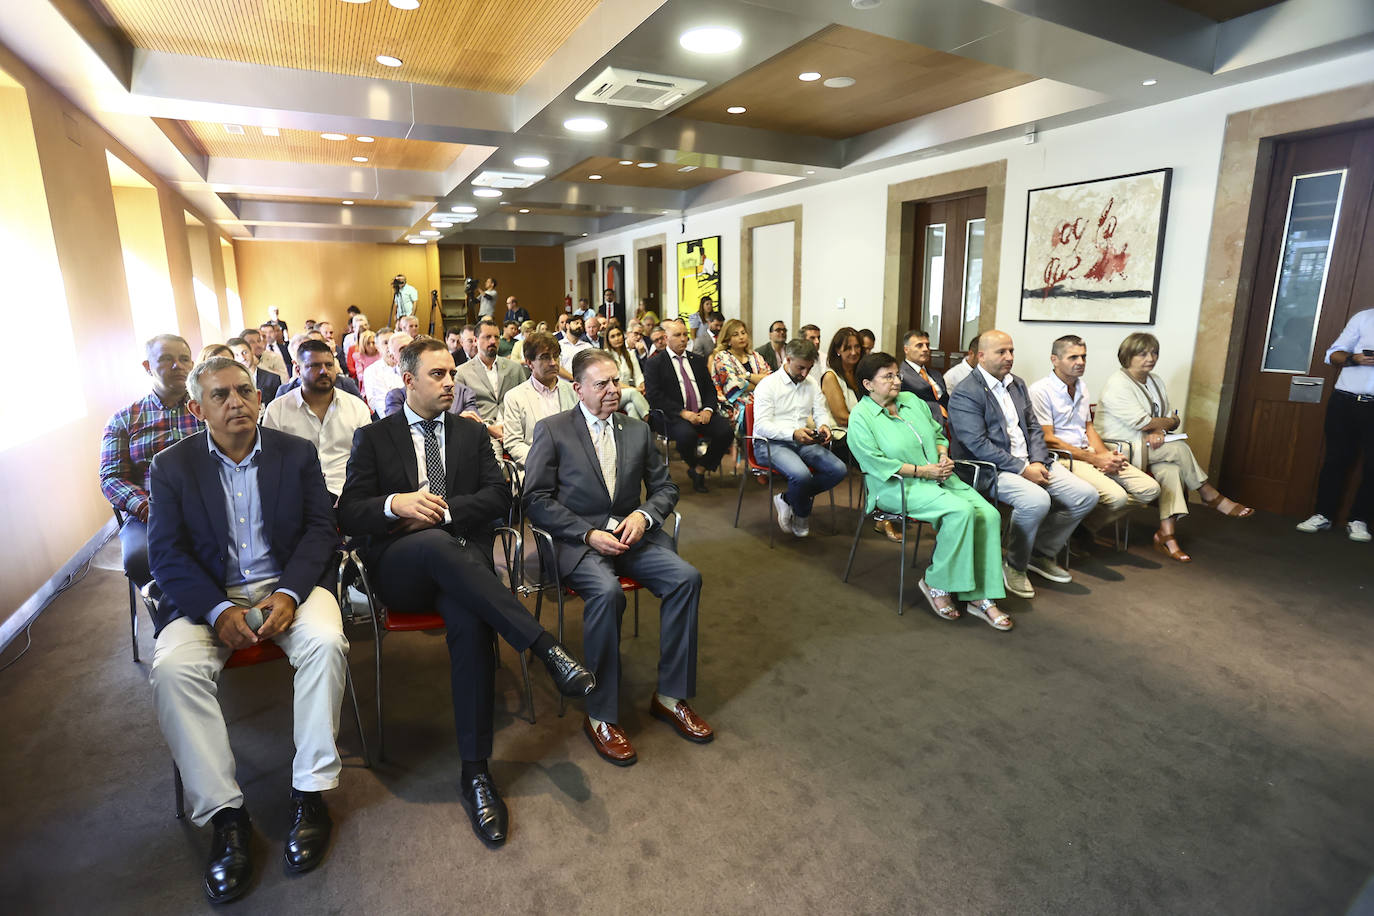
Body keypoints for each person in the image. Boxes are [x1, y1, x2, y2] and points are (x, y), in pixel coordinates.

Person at [337, 338, 594, 849]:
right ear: (408, 380)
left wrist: (445, 511)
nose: (450, 382)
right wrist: (398, 505)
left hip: (464, 563)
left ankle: (476, 772)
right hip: (402, 569)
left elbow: (500, 497)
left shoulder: (470, 435)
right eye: (437, 374)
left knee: (472, 620)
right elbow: (349, 512)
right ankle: (545, 647)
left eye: (452, 373)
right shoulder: (374, 437)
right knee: (433, 545)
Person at [147, 357, 348, 903]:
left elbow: (318, 530)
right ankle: (226, 817)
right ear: (197, 408)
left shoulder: (295, 453)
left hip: (287, 586)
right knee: (173, 668)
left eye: (243, 392)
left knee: (327, 641)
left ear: (258, 398)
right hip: (208, 599)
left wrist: (288, 592)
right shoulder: (172, 467)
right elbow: (165, 554)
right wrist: (215, 610)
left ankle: (309, 792)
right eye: (220, 396)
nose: (236, 402)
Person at [524, 349, 712, 766]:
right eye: (602, 384)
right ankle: (601, 715)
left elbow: (665, 488)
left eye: (616, 382)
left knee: (687, 578)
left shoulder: (636, 430)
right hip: (580, 541)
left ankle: (670, 696)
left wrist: (645, 517)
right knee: (608, 593)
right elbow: (534, 500)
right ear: (578, 389)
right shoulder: (553, 430)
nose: (613, 391)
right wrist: (587, 533)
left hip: (632, 537)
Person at [848, 352, 1010, 630]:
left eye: (897, 374)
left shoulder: (912, 401)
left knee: (989, 514)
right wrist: (924, 471)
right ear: (868, 384)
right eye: (887, 376)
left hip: (939, 477)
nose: (896, 380)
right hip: (895, 486)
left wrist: (943, 454)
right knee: (960, 512)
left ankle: (978, 594)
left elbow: (938, 433)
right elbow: (874, 462)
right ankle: (937, 583)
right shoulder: (861, 417)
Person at [949, 330, 1097, 598]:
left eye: (1012, 351)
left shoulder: (1016, 384)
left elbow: (1034, 428)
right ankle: (1015, 564)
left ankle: (1039, 553)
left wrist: (1038, 461)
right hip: (991, 469)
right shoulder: (966, 393)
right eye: (1001, 352)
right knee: (1037, 500)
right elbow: (977, 445)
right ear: (981, 356)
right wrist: (1023, 469)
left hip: (1032, 462)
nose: (1009, 357)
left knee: (1085, 496)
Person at [1095, 332, 1252, 562]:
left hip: (1149, 445)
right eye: (1143, 353)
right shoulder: (1117, 384)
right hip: (1121, 448)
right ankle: (1210, 495)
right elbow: (1144, 422)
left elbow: (1167, 416)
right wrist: (1163, 424)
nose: (1150, 358)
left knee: (1172, 470)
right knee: (1179, 449)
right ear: (1127, 355)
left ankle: (1166, 536)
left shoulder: (1155, 380)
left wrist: (1161, 429)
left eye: (1154, 352)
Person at [1029, 335, 1160, 544]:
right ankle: (1051, 536)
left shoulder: (1081, 386)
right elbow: (1048, 440)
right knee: (1117, 498)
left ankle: (1082, 527)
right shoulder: (1040, 390)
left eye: (1083, 357)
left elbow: (1088, 427)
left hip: (1087, 453)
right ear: (1054, 359)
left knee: (1149, 489)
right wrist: (1095, 460)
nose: (1080, 362)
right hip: (1062, 457)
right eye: (1073, 357)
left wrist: (1104, 455)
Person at [100, 334, 200, 591]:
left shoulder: (208, 409)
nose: (178, 365)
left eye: (184, 359)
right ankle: (170, 619)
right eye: (167, 359)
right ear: (148, 367)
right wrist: (148, 507)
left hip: (208, 505)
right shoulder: (124, 419)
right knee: (141, 558)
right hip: (150, 513)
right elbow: (111, 477)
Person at [752, 338, 849, 538]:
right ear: (787, 360)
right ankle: (802, 513)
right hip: (769, 443)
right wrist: (792, 433)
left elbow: (820, 411)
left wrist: (824, 425)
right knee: (802, 475)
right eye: (800, 368)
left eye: (809, 368)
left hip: (801, 440)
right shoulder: (768, 385)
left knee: (839, 470)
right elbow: (761, 425)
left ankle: (788, 499)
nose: (805, 374)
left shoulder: (811, 383)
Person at [1296, 308, 1374, 541]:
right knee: (1335, 460)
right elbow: (1331, 355)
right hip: (1345, 401)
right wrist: (1354, 358)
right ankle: (1322, 514)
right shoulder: (1364, 318)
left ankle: (1359, 520)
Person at [262, 340, 373, 498]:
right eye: (314, 366)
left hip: (348, 494)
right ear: (298, 369)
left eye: (329, 365)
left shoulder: (356, 407)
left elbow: (366, 459)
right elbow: (270, 461)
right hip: (297, 495)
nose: (324, 371)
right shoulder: (278, 410)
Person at [642, 318, 734, 493]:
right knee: (687, 436)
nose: (683, 339)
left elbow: (710, 390)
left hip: (701, 411)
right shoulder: (655, 363)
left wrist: (707, 409)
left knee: (726, 432)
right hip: (672, 415)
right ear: (666, 338)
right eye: (677, 335)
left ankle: (699, 468)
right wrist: (683, 413)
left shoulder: (697, 360)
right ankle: (694, 464)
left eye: (685, 334)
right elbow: (655, 397)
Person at [500, 332, 578, 469]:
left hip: (572, 466)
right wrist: (544, 462)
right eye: (545, 357)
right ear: (529, 363)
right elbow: (513, 442)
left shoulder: (574, 392)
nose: (553, 363)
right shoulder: (514, 397)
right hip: (535, 469)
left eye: (556, 356)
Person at [454, 318, 528, 446]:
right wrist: (487, 428)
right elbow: (460, 413)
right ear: (475, 341)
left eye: (496, 337)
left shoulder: (514, 368)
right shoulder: (461, 373)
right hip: (482, 433)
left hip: (515, 429)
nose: (493, 341)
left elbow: (526, 400)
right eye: (487, 337)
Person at [709, 318, 769, 427]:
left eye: (743, 333)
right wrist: (759, 379)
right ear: (728, 340)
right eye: (735, 334)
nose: (741, 337)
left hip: (762, 400)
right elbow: (734, 385)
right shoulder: (722, 357)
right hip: (733, 404)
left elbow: (770, 380)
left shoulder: (755, 356)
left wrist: (748, 376)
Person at [819, 327, 863, 462]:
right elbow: (842, 418)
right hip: (840, 436)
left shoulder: (861, 374)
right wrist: (873, 425)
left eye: (857, 347)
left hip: (860, 430)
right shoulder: (831, 377)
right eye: (848, 348)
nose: (854, 352)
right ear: (838, 350)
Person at [899, 329, 948, 426]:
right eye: (919, 345)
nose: (926, 349)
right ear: (906, 349)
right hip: (920, 424)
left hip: (946, 424)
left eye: (927, 345)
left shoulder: (936, 374)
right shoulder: (900, 375)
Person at [605, 324, 649, 419]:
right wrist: (635, 389)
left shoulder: (630, 354)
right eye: (613, 336)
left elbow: (638, 375)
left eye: (619, 335)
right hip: (611, 394)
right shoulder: (605, 356)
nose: (617, 338)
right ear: (608, 340)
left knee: (632, 407)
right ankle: (649, 419)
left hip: (627, 394)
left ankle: (639, 432)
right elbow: (613, 381)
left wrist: (641, 385)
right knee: (633, 393)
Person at [228, 336, 281, 407]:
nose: (242, 358)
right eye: (236, 355)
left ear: (252, 351)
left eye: (244, 352)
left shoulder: (272, 379)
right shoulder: (228, 383)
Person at [362, 329, 404, 412]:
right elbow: (374, 403)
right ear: (377, 347)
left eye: (392, 342)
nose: (389, 346)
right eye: (385, 343)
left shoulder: (407, 365)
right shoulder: (371, 371)